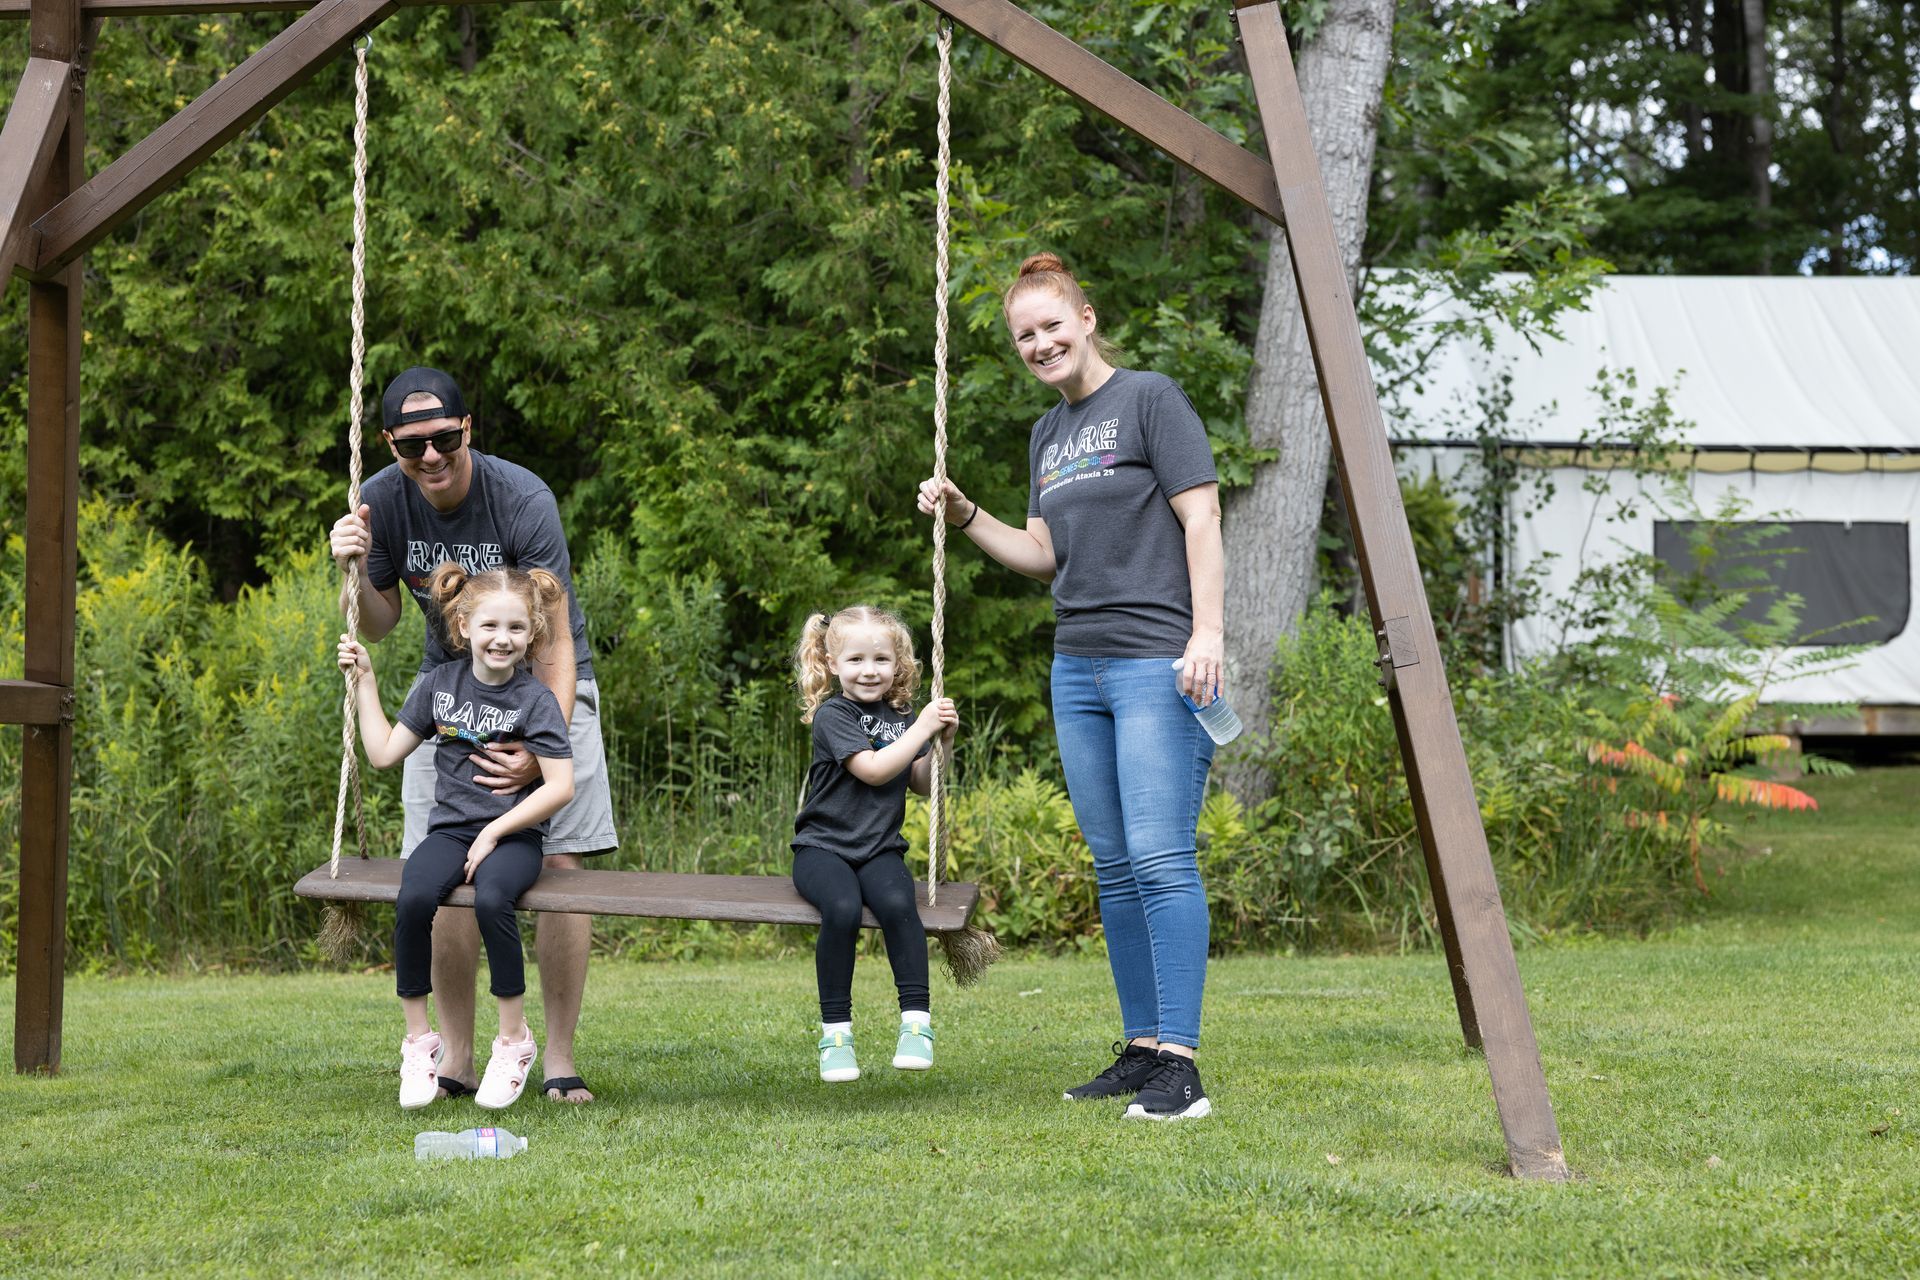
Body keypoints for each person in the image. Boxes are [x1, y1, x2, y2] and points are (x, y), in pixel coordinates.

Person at [916, 253, 1224, 1121]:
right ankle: (1142, 1048)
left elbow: (1201, 516)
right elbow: (1045, 556)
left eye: (1053, 325)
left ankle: (1182, 1067)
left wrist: (1208, 633)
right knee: (1116, 867)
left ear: (1086, 318)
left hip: (1155, 661)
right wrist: (968, 516)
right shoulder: (1048, 435)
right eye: (1025, 335)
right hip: (1076, 664)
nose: (1041, 344)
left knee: (1162, 858)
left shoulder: (1152, 400)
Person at [327, 366, 616, 1104]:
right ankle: (452, 1058)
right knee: (440, 864)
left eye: (444, 438)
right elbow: (382, 620)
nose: (430, 457)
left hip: (548, 682)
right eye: (412, 444)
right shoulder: (383, 502)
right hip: (446, 697)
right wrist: (353, 567)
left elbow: (549, 634)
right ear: (391, 444)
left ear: (466, 431)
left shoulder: (520, 498)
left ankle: (555, 1059)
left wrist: (538, 745)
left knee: (563, 865)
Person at [338, 564, 575, 1111]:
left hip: (513, 836)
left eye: (517, 628)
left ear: (532, 634)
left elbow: (560, 786)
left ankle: (513, 1042)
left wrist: (495, 830)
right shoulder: (439, 686)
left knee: (494, 898)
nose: (503, 638)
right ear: (463, 626)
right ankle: (420, 1042)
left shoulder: (535, 699)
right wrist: (366, 680)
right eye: (490, 625)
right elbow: (381, 753)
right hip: (449, 831)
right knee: (416, 896)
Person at [791, 606, 958, 1083]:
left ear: (898, 663)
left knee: (896, 902)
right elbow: (873, 769)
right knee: (841, 908)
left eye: (881, 659)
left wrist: (943, 741)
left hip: (879, 849)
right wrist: (922, 730)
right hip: (822, 849)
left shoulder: (902, 715)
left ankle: (916, 1025)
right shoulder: (834, 714)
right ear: (832, 663)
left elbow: (922, 782)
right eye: (857, 659)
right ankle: (836, 1034)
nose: (869, 670)